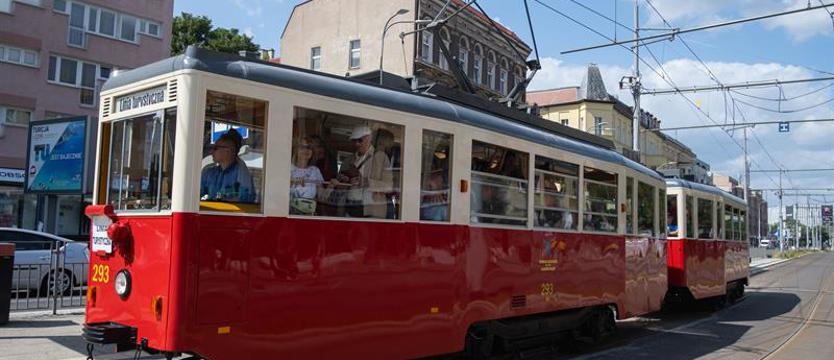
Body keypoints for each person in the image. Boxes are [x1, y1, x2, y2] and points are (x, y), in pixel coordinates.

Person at [334, 125, 391, 218]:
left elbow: (388, 186)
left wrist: (367, 182)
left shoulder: (381, 158)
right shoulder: (348, 160)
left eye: (360, 140)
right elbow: (339, 183)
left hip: (372, 211)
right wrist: (345, 180)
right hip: (348, 209)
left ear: (369, 139)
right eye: (354, 141)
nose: (356, 144)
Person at [200, 129, 256, 203]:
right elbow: (196, 193)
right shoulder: (209, 173)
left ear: (228, 151)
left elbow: (245, 200)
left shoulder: (242, 174)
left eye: (216, 148)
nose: (212, 151)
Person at [290, 137, 324, 215]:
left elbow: (322, 196)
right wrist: (291, 182)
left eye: (309, 148)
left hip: (308, 214)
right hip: (289, 213)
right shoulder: (288, 168)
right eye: (302, 147)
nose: (306, 150)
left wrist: (331, 186)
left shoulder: (315, 170)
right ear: (295, 150)